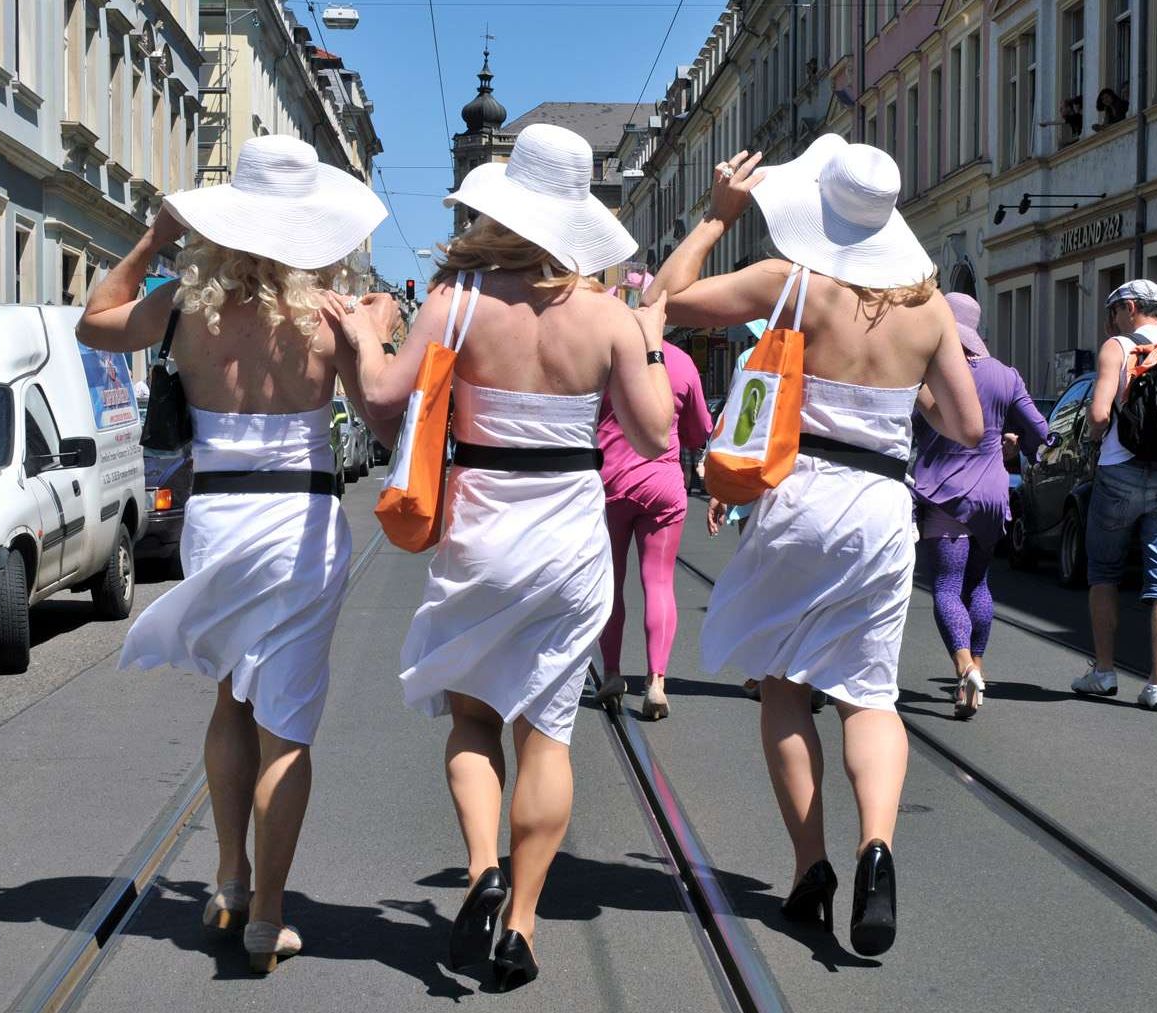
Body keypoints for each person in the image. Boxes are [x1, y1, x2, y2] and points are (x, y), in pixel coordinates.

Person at [351, 123, 673, 991]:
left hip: (482, 532)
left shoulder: (455, 300)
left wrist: (362, 333)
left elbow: (384, 401)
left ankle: (482, 867)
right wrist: (644, 335)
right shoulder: (605, 314)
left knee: (472, 719)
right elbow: (653, 432)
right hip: (570, 540)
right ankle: (523, 922)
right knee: (550, 735)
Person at [652, 135, 982, 958]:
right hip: (880, 503)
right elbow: (969, 424)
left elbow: (663, 299)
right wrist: (907, 410)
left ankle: (812, 868)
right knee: (871, 692)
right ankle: (878, 848)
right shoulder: (930, 308)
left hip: (800, 496)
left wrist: (719, 216)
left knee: (784, 684)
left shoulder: (793, 283)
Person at [75, 135, 392, 973]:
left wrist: (153, 238)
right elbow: (387, 421)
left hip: (217, 515)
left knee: (231, 699)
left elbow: (94, 320)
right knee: (287, 724)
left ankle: (227, 876)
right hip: (301, 525)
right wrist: (372, 341)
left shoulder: (183, 308)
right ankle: (269, 915)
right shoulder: (331, 314)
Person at [911, 293, 1050, 720]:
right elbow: (1041, 432)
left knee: (948, 586)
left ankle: (964, 667)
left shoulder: (926, 373)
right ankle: (979, 671)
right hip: (992, 495)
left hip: (943, 493)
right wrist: (1015, 444)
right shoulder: (1005, 375)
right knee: (979, 584)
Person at [1070, 280, 1157, 712]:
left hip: (1119, 474)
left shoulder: (1118, 347)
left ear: (1129, 308)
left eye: (1113, 312)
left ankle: (1105, 671)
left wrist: (1094, 440)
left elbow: (1099, 413)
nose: (1111, 321)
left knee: (1104, 573)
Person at [595, 338, 713, 721]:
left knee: (609, 585)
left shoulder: (607, 353)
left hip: (609, 484)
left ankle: (611, 673)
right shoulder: (679, 361)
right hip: (661, 485)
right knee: (659, 583)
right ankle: (656, 682)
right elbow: (699, 432)